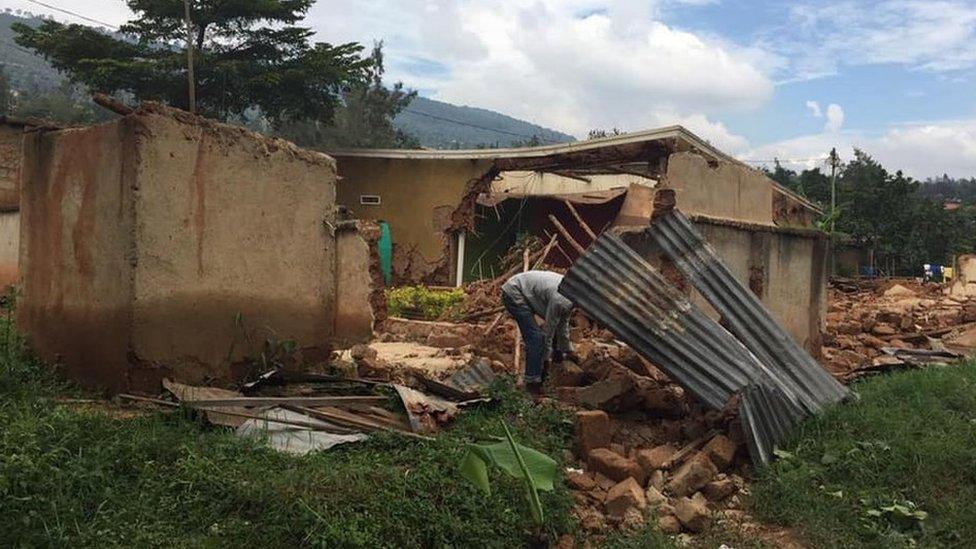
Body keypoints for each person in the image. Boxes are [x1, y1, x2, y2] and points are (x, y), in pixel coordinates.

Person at [501, 270, 576, 396]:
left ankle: (557, 355)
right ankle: (532, 383)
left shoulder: (571, 296)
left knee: (548, 335)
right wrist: (546, 360)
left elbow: (563, 325)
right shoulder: (562, 300)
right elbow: (548, 331)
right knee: (536, 338)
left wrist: (567, 350)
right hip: (514, 292)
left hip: (525, 289)